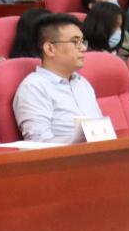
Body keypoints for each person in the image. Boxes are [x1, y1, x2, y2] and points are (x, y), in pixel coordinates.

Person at [12, 13, 103, 143]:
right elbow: (39, 143)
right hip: (70, 155)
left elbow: (100, 130)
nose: (83, 48)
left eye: (83, 42)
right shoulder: (33, 88)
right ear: (50, 49)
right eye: (75, 42)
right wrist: (78, 142)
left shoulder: (82, 82)